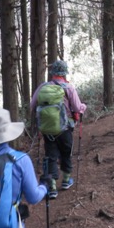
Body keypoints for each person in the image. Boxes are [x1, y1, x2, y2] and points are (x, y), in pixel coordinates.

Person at [30, 60, 87, 199]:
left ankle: (52, 187)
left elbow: (32, 105)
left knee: (51, 156)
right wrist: (83, 107)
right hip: (65, 128)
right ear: (64, 73)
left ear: (53, 73)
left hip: (48, 130)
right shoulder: (68, 88)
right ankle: (66, 181)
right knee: (66, 152)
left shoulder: (43, 87)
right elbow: (78, 107)